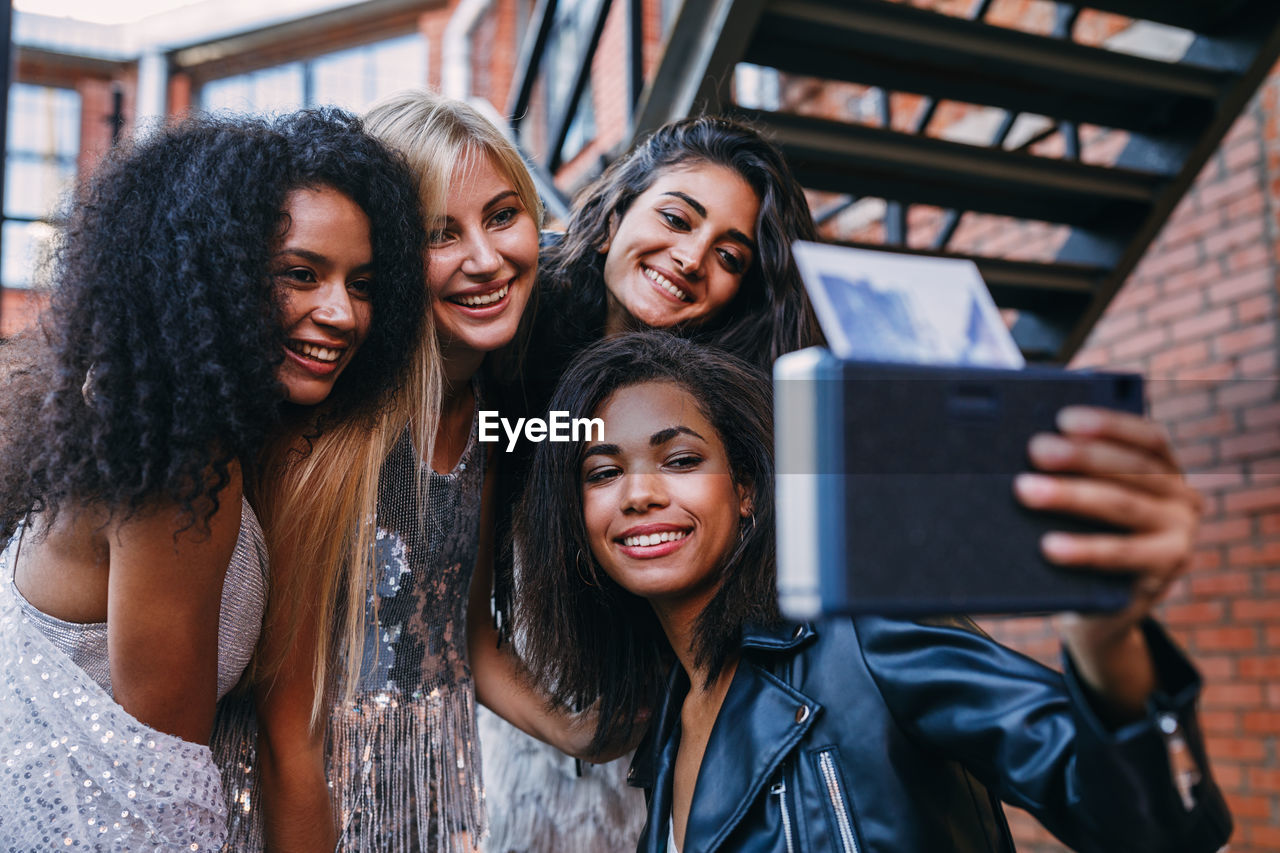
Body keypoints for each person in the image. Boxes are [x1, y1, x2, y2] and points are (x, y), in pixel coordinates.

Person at [511, 330, 1232, 853]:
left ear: (749, 492)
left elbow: (1156, 826)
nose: (639, 493)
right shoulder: (664, 720)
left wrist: (1107, 634)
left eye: (680, 458)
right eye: (602, 472)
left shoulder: (864, 632)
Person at [0, 110, 428, 851]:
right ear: (212, 275)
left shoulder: (170, 417)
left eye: (361, 283)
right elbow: (158, 795)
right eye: (300, 273)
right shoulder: (183, 457)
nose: (342, 312)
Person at [253, 89, 607, 853]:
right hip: (310, 809)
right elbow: (290, 732)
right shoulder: (330, 438)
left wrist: (574, 728)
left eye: (505, 215)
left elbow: (462, 633)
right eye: (440, 233)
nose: (486, 258)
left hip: (436, 798)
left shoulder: (487, 412)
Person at [482, 113, 826, 852]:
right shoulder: (509, 336)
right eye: (676, 217)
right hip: (507, 719)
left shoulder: (731, 410)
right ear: (611, 216)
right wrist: (565, 726)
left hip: (661, 731)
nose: (692, 256)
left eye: (730, 254)